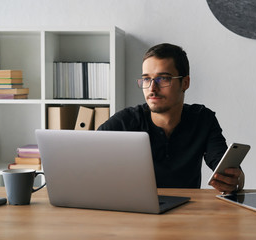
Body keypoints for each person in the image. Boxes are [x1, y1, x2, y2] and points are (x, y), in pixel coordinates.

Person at [98, 43, 244, 193]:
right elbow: (89, 157)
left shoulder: (202, 119)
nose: (152, 88)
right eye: (146, 79)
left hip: (186, 211)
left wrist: (235, 180)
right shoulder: (126, 120)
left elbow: (226, 167)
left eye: (163, 79)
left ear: (185, 83)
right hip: (136, 211)